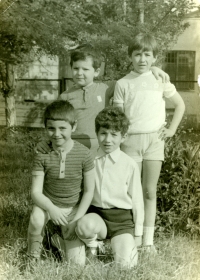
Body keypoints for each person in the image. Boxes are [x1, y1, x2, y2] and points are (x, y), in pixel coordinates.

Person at [113, 33, 185, 253]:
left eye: (147, 54)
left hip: (154, 141)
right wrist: (120, 138)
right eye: (137, 54)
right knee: (130, 192)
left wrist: (171, 129)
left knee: (149, 191)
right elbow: (117, 116)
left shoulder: (160, 79)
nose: (142, 59)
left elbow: (180, 105)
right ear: (130, 57)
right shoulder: (123, 83)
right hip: (130, 142)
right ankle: (132, 238)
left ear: (154, 58)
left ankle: (148, 241)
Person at [36, 47, 170, 158]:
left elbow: (132, 77)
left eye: (85, 69)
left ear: (97, 72)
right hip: (73, 148)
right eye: (76, 68)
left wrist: (152, 69)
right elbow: (54, 123)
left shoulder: (106, 88)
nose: (79, 73)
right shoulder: (65, 96)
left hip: (102, 148)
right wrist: (45, 141)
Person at [27, 100, 95, 265]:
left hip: (73, 209)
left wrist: (77, 219)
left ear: (74, 126)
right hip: (48, 206)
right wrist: (51, 209)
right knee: (36, 218)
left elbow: (88, 191)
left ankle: (56, 238)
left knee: (76, 264)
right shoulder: (42, 154)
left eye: (62, 128)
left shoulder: (84, 154)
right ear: (45, 128)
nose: (57, 134)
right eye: (51, 128)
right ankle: (32, 256)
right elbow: (35, 192)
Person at [75, 107, 144, 268]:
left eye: (114, 134)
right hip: (97, 216)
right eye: (103, 133)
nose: (108, 140)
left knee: (126, 265)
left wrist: (138, 234)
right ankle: (94, 245)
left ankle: (116, 245)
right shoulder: (89, 159)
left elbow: (138, 202)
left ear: (123, 137)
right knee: (84, 226)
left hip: (121, 221)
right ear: (97, 133)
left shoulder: (129, 164)